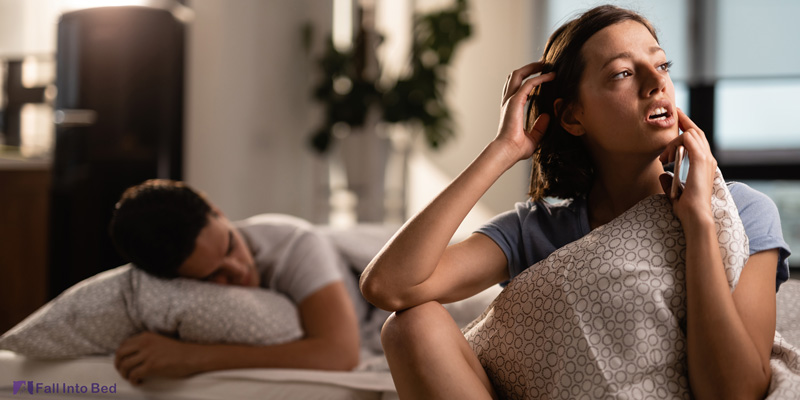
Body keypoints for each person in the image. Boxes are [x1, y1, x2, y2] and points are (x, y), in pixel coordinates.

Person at [360, 4, 791, 400]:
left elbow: (737, 393)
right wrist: (504, 149)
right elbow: (389, 286)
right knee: (409, 327)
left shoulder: (740, 210)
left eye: (661, 65)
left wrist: (698, 220)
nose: (656, 81)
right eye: (623, 73)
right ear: (572, 116)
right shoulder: (536, 230)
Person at [108, 179, 360, 385]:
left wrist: (192, 357)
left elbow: (341, 354)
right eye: (212, 276)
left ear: (218, 212)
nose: (239, 270)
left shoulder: (295, 244)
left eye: (230, 245)